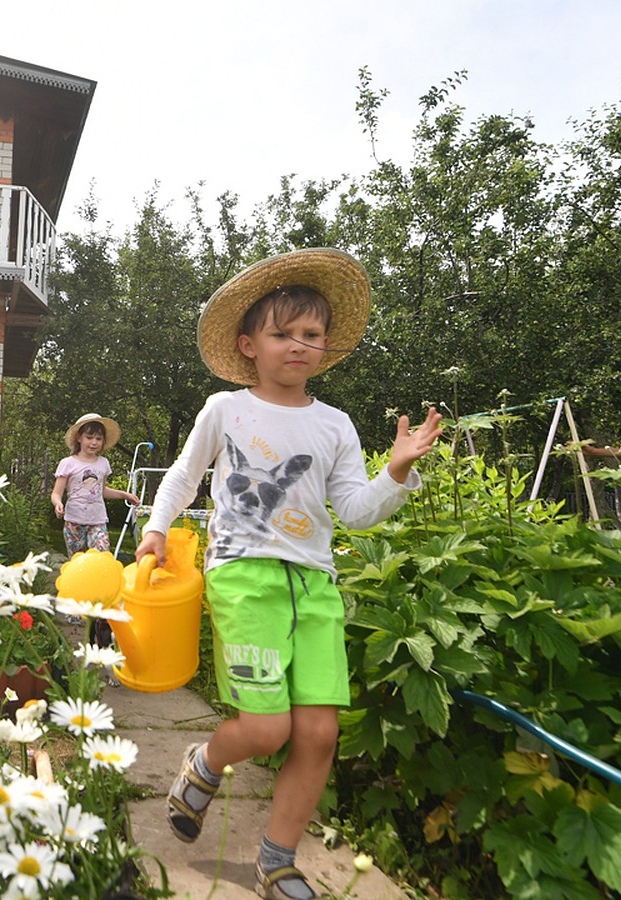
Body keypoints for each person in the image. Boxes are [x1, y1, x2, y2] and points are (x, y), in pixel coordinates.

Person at [135, 248, 442, 900]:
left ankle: (277, 861)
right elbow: (184, 478)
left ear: (325, 348)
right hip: (245, 576)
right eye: (282, 333)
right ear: (249, 344)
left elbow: (357, 514)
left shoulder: (335, 424)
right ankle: (206, 760)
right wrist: (157, 530)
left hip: (316, 586)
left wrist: (398, 471)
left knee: (319, 731)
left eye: (311, 335)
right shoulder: (225, 409)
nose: (298, 345)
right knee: (267, 727)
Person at [51, 413, 139, 556]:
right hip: (74, 521)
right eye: (89, 437)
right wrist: (57, 504)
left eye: (98, 439)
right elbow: (56, 493)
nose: (94, 442)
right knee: (77, 561)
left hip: (97, 520)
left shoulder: (103, 463)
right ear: (79, 438)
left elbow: (102, 491)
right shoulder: (68, 463)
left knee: (101, 554)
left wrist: (125, 495)